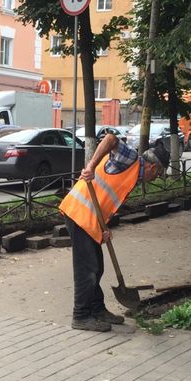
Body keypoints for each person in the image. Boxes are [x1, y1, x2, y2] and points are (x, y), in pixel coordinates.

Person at [59, 134, 169, 332]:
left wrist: (104, 228)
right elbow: (110, 139)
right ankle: (81, 316)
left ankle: (97, 310)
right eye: (158, 174)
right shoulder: (131, 160)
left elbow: (105, 196)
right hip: (79, 213)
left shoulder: (133, 174)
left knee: (97, 268)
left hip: (91, 219)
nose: (155, 179)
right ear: (154, 167)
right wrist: (91, 166)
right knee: (88, 269)